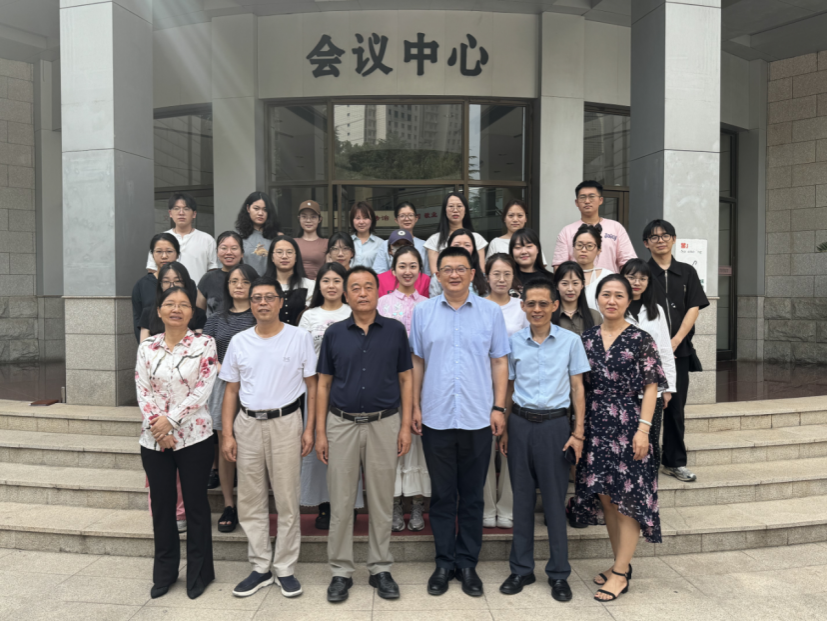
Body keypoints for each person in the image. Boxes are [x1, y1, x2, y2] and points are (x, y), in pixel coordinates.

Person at [410, 247, 510, 599]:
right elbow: (417, 361)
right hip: (435, 416)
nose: (454, 274)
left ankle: (467, 563)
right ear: (437, 275)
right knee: (442, 495)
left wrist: (499, 407)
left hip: (478, 417)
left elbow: (499, 361)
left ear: (472, 273)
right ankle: (443, 562)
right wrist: (415, 406)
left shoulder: (490, 312)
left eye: (461, 269)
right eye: (447, 269)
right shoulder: (423, 312)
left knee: (471, 496)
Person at [316, 266, 414, 604]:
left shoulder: (395, 331)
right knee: (341, 502)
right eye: (355, 287)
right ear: (346, 295)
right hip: (341, 424)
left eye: (368, 287)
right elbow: (323, 384)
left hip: (384, 423)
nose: (362, 293)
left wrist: (405, 426)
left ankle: (380, 567)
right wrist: (320, 432)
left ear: (378, 292)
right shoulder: (334, 334)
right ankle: (340, 571)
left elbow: (406, 378)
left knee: (382, 500)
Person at [220, 277, 318, 600]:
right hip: (247, 423)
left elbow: (313, 386)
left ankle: (285, 567)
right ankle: (260, 566)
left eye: (269, 297)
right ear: (250, 304)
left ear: (280, 302)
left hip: (287, 422)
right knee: (250, 499)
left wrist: (309, 429)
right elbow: (230, 390)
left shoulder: (299, 337)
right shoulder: (240, 341)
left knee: (287, 498)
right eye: (257, 298)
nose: (262, 303)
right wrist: (227, 433)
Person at [573, 275, 667, 603]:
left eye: (618, 295)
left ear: (629, 300)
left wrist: (643, 430)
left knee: (628, 501)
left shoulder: (641, 339)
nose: (611, 300)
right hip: (596, 426)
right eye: (606, 294)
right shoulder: (586, 339)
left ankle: (620, 572)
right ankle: (620, 565)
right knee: (607, 498)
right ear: (597, 299)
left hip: (630, 426)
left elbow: (652, 387)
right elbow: (579, 386)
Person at [498, 278, 591, 603]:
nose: (536, 309)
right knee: (521, 500)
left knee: (553, 502)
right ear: (522, 306)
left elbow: (578, 388)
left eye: (543, 303)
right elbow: (509, 387)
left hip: (555, 427)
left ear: (554, 305)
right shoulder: (513, 342)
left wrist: (578, 432)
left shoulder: (570, 341)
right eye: (531, 304)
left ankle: (559, 573)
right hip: (520, 424)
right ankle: (521, 569)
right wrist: (505, 428)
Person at [135, 285, 218, 601]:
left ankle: (199, 574)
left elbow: (202, 389)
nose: (176, 309)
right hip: (154, 439)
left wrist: (171, 420)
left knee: (196, 506)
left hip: (195, 437)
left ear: (191, 312)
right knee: (162, 507)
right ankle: (165, 573)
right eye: (170, 304)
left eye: (184, 304)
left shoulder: (204, 344)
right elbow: (142, 390)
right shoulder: (147, 347)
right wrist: (159, 427)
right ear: (159, 311)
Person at [297, 263, 364, 529]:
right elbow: (303, 358)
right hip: (316, 389)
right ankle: (324, 504)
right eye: (326, 281)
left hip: (348, 388)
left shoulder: (353, 312)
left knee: (347, 450)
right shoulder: (309, 316)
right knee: (319, 447)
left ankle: (349, 504)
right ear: (319, 285)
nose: (332, 286)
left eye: (337, 280)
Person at [644, 220, 710, 484]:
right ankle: (644, 461)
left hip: (679, 352)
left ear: (673, 239)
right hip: (646, 354)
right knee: (646, 407)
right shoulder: (642, 273)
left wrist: (675, 341)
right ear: (646, 243)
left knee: (675, 409)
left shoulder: (687, 272)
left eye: (665, 235)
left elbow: (694, 307)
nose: (660, 240)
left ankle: (674, 462)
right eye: (654, 237)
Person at [378, 247, 430, 533]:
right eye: (402, 266)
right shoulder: (382, 304)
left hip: (424, 381)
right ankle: (396, 503)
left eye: (413, 266)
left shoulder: (429, 304)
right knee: (393, 442)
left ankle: (418, 504)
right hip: (389, 382)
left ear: (420, 270)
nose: (407, 271)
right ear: (393, 270)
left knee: (418, 443)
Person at [203, 264, 258, 534]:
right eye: (234, 281)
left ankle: (251, 504)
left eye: (245, 282)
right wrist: (222, 367)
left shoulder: (259, 315)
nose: (238, 286)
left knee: (252, 446)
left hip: (254, 386)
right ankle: (229, 504)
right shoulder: (216, 318)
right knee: (227, 444)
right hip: (223, 385)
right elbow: (205, 351)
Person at [552, 261, 603, 530]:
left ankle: (586, 502)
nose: (570, 288)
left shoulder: (594, 316)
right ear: (556, 286)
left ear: (583, 285)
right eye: (564, 283)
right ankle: (559, 503)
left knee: (588, 448)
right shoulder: (550, 315)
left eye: (575, 282)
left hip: (590, 392)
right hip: (558, 393)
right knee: (562, 448)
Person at [482, 254, 528, 530]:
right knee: (484, 448)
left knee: (511, 447)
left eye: (507, 274)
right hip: (482, 385)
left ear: (513, 277)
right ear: (487, 276)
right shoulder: (477, 305)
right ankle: (487, 506)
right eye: (496, 273)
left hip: (516, 385)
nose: (501, 279)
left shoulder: (521, 309)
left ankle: (507, 506)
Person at [621, 259, 677, 472]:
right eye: (631, 277)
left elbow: (665, 350)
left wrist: (668, 388)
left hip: (651, 388)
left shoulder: (657, 311)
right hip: (623, 389)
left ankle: (649, 483)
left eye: (642, 278)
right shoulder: (615, 306)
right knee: (625, 440)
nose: (637, 282)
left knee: (650, 438)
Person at [552, 181, 637, 272]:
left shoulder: (616, 228)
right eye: (582, 197)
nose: (587, 201)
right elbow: (559, 266)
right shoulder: (567, 231)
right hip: (578, 281)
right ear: (576, 202)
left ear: (601, 200)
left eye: (592, 196)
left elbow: (628, 263)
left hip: (610, 280)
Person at [145, 193, 218, 283]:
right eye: (176, 208)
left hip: (197, 291)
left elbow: (212, 271)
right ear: (170, 213)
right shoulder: (160, 240)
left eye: (186, 209)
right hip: (167, 291)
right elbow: (152, 270)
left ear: (194, 214)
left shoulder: (207, 239)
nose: (181, 213)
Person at [139, 262, 207, 342]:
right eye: (166, 281)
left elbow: (199, 343)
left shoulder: (198, 313)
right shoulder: (148, 312)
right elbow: (144, 344)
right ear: (160, 285)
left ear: (185, 283)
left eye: (177, 281)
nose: (172, 286)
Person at [424, 192, 488, 275]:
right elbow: (435, 274)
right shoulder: (434, 240)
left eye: (459, 206)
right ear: (445, 210)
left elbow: (481, 271)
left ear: (465, 210)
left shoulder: (477, 238)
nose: (455, 210)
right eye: (451, 206)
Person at [133, 233, 181, 341]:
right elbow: (138, 321)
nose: (164, 256)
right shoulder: (142, 285)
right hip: (152, 346)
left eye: (169, 251)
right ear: (152, 254)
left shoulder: (187, 283)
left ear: (177, 254)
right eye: (159, 251)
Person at [263, 235, 315, 326]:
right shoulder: (262, 286)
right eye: (279, 252)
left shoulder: (310, 285)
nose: (284, 256)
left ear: (296, 257)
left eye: (289, 252)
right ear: (272, 257)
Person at [372, 201, 431, 276]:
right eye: (402, 216)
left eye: (410, 215)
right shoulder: (385, 244)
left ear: (416, 218)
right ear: (396, 220)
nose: (407, 219)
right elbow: (379, 273)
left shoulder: (424, 245)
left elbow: (427, 275)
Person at [197, 232, 247, 318]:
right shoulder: (208, 278)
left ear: (242, 253)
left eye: (234, 248)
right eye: (224, 248)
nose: (229, 252)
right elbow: (199, 313)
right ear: (217, 252)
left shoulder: (250, 277)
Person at [429, 229, 489, 298]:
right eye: (457, 245)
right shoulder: (438, 276)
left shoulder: (483, 277)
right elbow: (434, 301)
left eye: (467, 245)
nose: (462, 248)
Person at [486, 200, 548, 265]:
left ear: (526, 218)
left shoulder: (531, 240)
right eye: (511, 215)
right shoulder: (496, 243)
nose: (515, 219)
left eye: (520, 215)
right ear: (504, 218)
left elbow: (541, 265)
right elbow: (489, 268)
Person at [236, 191, 282, 277]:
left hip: (270, 283)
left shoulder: (277, 237)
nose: (260, 213)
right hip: (245, 282)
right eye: (256, 208)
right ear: (248, 208)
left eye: (265, 210)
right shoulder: (238, 237)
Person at [573, 224, 615, 311]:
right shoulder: (564, 275)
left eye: (589, 246)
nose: (583, 250)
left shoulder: (608, 277)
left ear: (599, 250)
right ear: (573, 247)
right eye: (579, 245)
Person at [377, 231, 431, 298]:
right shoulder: (379, 279)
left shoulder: (425, 279)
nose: (402, 247)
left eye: (406, 244)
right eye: (397, 244)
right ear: (389, 250)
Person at [294, 200, 328, 280]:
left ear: (320, 219)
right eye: (304, 216)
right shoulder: (292, 242)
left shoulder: (327, 243)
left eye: (313, 217)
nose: (308, 220)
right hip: (296, 285)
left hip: (318, 285)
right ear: (299, 219)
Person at [350, 202, 385, 268]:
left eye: (365, 218)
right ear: (352, 220)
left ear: (372, 220)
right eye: (358, 218)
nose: (361, 222)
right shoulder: (347, 242)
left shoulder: (381, 244)